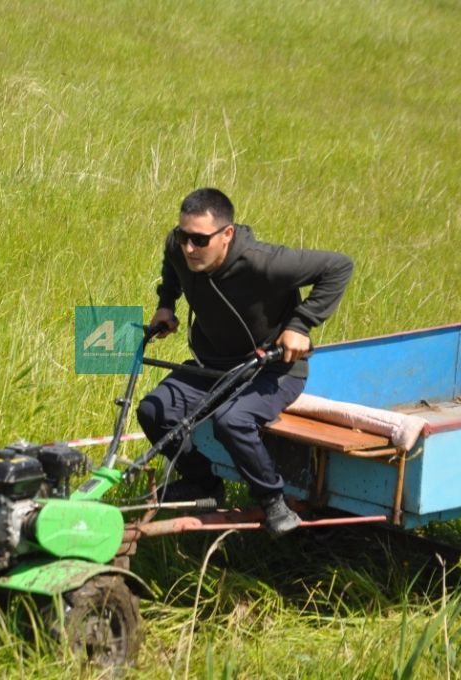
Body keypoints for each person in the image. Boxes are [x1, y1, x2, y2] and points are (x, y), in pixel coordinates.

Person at [136, 187, 353, 537]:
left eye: (199, 240)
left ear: (227, 235)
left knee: (232, 421)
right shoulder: (180, 247)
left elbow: (339, 266)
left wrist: (300, 325)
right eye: (183, 235)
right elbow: (172, 264)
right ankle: (202, 483)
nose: (189, 247)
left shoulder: (264, 262)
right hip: (212, 364)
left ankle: (273, 502)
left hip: (274, 368)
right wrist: (166, 303)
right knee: (153, 411)